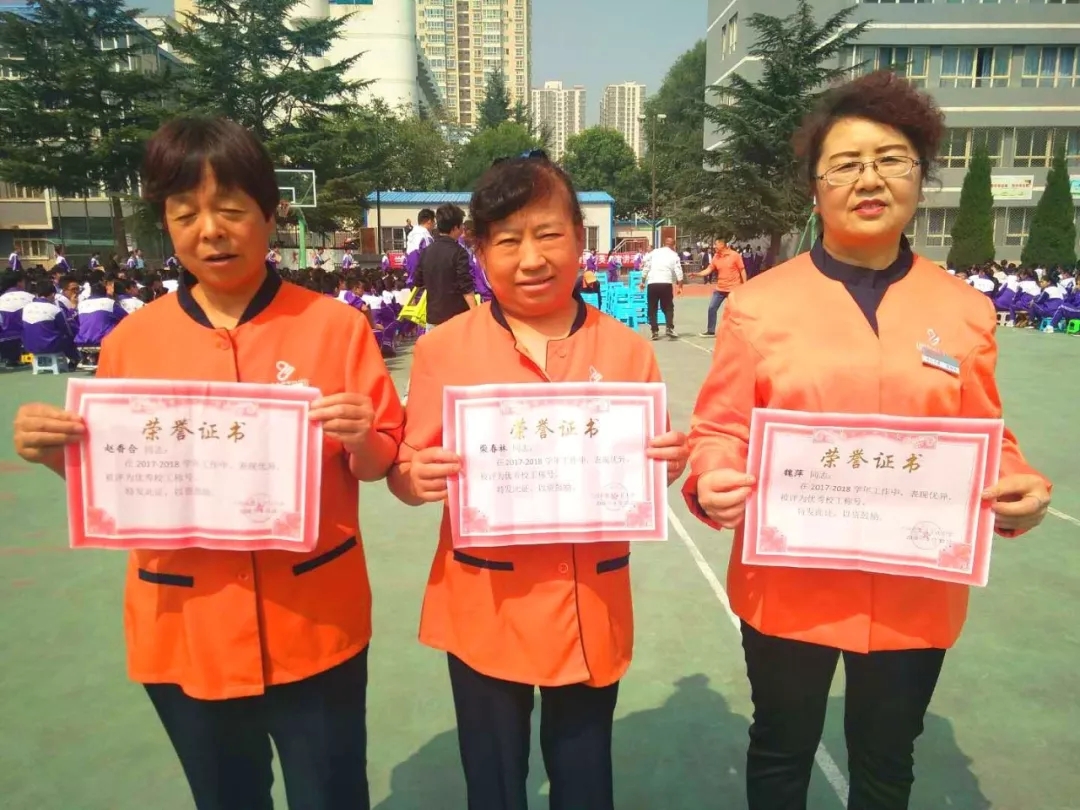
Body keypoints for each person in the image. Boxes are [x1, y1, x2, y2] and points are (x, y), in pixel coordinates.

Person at [11, 114, 404, 810]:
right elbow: (119, 480)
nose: (210, 231)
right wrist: (56, 456)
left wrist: (361, 437)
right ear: (165, 223)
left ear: (270, 214)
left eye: (231, 210)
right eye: (185, 214)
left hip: (315, 617)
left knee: (333, 792)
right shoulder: (132, 342)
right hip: (184, 624)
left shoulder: (335, 327)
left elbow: (378, 464)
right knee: (225, 796)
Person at [683, 71, 1052, 810]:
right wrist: (711, 476)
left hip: (915, 585)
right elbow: (720, 428)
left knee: (887, 760)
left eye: (891, 160)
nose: (870, 179)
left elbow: (984, 433)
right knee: (781, 748)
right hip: (788, 582)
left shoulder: (963, 310)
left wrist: (1017, 485)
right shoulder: (758, 306)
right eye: (846, 164)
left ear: (921, 176)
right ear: (815, 188)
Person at [388, 152, 689, 810]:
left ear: (580, 239)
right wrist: (416, 476)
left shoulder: (628, 351)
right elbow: (405, 471)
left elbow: (647, 468)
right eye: (508, 241)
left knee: (584, 778)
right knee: (493, 783)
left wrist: (668, 463)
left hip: (589, 598)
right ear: (479, 251)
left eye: (549, 234)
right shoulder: (444, 349)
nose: (531, 259)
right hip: (483, 602)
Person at [414, 203, 476, 328]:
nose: (462, 229)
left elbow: (418, 281)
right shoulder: (459, 252)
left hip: (433, 317)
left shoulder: (426, 251)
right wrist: (475, 311)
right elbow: (465, 286)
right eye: (461, 226)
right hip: (456, 318)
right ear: (455, 228)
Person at [21, 277, 79, 368]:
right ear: (52, 294)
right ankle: (75, 359)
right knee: (69, 336)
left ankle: (27, 360)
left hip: (29, 346)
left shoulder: (26, 307)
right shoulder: (55, 309)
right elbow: (67, 329)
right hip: (50, 346)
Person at [693, 238, 745, 337]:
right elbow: (709, 269)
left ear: (722, 244)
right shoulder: (716, 256)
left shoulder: (735, 255)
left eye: (716, 244)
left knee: (735, 310)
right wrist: (697, 274)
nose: (714, 246)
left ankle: (740, 330)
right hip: (720, 288)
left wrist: (745, 284)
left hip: (733, 288)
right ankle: (711, 331)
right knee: (712, 308)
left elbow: (742, 270)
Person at [639, 236, 683, 340]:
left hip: (652, 283)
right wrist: (680, 286)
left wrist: (643, 281)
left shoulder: (654, 252)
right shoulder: (674, 255)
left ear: (663, 244)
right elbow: (678, 271)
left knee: (652, 307)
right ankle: (669, 328)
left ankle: (654, 331)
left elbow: (646, 266)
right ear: (673, 245)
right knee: (668, 307)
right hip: (665, 283)